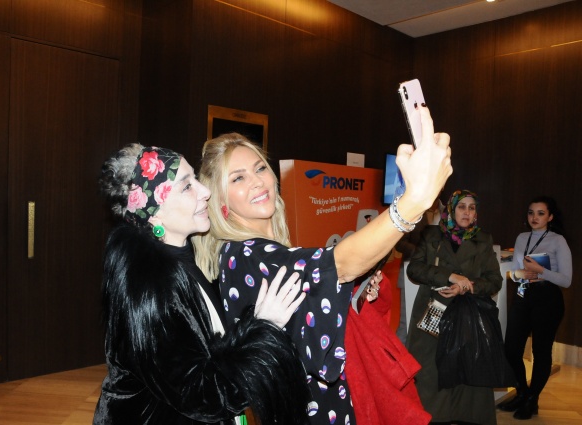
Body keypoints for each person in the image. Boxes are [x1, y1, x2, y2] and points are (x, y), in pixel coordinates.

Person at [193, 105, 452, 425]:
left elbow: (313, 306)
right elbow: (334, 265)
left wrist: (354, 295)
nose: (257, 182)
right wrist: (415, 201)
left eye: (260, 169)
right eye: (238, 178)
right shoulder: (242, 255)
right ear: (221, 200)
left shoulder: (269, 252)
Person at [93, 143, 311, 425]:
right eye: (187, 187)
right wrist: (264, 328)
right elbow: (203, 396)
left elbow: (210, 349)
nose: (205, 191)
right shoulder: (151, 288)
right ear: (155, 213)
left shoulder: (183, 259)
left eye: (195, 179)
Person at [406, 189, 503, 425]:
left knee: (467, 370)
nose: (467, 212)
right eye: (461, 207)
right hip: (432, 312)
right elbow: (414, 270)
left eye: (472, 208)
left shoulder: (483, 239)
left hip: (467, 315)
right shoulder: (432, 235)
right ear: (450, 210)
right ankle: (432, 418)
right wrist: (449, 276)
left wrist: (466, 286)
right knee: (430, 370)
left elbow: (494, 280)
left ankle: (465, 417)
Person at [498, 196, 572, 420]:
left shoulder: (558, 241)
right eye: (531, 212)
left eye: (540, 213)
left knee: (541, 352)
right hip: (523, 295)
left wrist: (541, 271)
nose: (534, 217)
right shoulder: (522, 238)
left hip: (548, 299)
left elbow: (566, 280)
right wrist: (517, 274)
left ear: (550, 217)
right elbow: (516, 269)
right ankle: (522, 392)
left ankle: (532, 399)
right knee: (511, 349)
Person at [394, 196, 444, 345]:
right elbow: (400, 243)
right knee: (406, 325)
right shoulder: (413, 210)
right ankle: (397, 359)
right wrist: (422, 253)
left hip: (437, 278)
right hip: (411, 276)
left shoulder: (448, 211)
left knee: (429, 328)